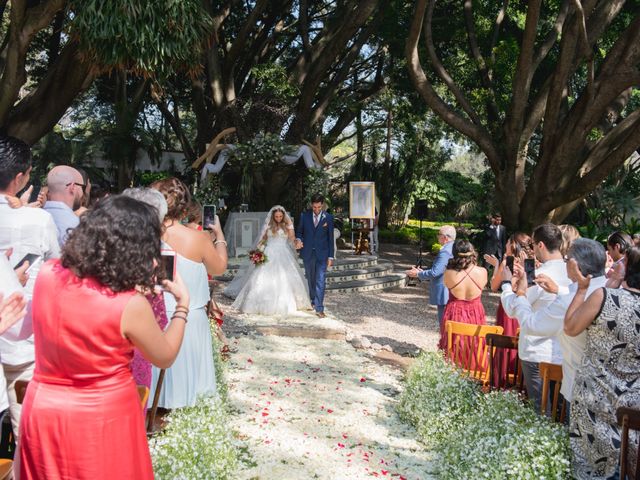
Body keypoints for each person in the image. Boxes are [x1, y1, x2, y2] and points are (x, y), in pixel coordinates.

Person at [18, 195, 190, 479]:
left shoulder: (48, 274)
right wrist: (182, 305)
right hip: (103, 416)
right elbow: (165, 355)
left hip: (45, 408)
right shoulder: (129, 304)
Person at [0, 135, 60, 443]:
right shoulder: (39, 219)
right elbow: (58, 267)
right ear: (21, 177)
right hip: (26, 337)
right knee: (28, 435)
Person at [149, 177, 227, 409]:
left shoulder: (142, 234)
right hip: (188, 321)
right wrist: (219, 236)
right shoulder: (198, 238)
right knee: (190, 390)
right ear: (184, 206)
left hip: (151, 316)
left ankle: (153, 411)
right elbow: (219, 268)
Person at [507, 239, 606, 420]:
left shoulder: (570, 301)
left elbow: (531, 325)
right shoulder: (611, 288)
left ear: (575, 265)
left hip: (580, 387)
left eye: (567, 260)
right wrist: (558, 290)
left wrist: (520, 294)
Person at [564, 245, 640, 479]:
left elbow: (571, 327)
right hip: (632, 405)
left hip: (593, 399)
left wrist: (581, 290)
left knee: (591, 469)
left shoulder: (603, 296)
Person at [501, 223, 571, 412]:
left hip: (537, 352)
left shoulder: (538, 275)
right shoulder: (573, 273)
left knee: (541, 411)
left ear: (540, 245)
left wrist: (507, 284)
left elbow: (513, 308)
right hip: (566, 353)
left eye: (533, 245)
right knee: (562, 411)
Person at [121, 187, 170, 390]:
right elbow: (159, 323)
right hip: (133, 349)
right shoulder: (152, 257)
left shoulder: (96, 250)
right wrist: (183, 305)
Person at [225, 206, 311, 315]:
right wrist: (258, 250)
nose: (278, 218)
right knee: (261, 276)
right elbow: (263, 239)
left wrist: (297, 242)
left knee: (285, 277)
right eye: (276, 216)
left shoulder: (287, 225)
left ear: (283, 216)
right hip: (269, 252)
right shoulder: (269, 225)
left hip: (283, 252)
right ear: (273, 216)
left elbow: (292, 239)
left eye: (280, 216)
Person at [484, 232, 533, 383]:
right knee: (521, 342)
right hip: (525, 307)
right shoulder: (531, 263)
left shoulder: (508, 263)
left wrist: (498, 265)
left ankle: (502, 380)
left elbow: (493, 286)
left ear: (512, 245)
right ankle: (521, 381)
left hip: (508, 308)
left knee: (505, 344)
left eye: (507, 243)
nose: (505, 245)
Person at [438, 239, 487, 350]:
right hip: (475, 312)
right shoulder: (483, 272)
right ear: (472, 253)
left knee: (453, 345)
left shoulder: (448, 273)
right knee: (474, 345)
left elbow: (446, 284)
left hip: (454, 312)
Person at [406, 225, 456, 326]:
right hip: (451, 289)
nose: (437, 237)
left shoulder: (445, 251)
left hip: (444, 291)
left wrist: (418, 274)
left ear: (445, 237)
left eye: (439, 235)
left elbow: (435, 272)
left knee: (444, 323)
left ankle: (446, 341)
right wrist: (421, 272)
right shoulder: (453, 248)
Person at [295, 194, 334, 318]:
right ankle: (312, 300)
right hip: (307, 253)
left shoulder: (328, 218)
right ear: (311, 205)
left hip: (322, 254)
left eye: (319, 207)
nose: (316, 209)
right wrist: (299, 239)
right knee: (311, 278)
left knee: (320, 280)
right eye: (314, 207)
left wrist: (331, 257)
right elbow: (299, 231)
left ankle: (319, 307)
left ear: (322, 204)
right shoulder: (304, 216)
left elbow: (330, 238)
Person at [43, 165, 84, 246]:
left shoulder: (33, 217)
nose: (83, 192)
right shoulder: (78, 227)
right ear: (72, 187)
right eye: (82, 187)